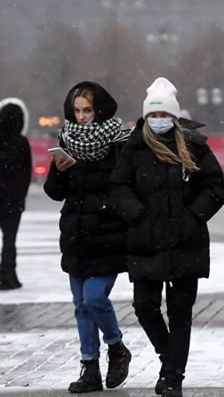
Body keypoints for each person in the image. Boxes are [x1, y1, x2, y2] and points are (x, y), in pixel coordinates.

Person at [110, 77, 224, 397]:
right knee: (144, 307)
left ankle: (173, 377)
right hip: (145, 242)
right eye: (153, 116)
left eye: (164, 116)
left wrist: (192, 217)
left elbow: (214, 186)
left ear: (174, 117)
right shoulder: (133, 148)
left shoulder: (194, 146)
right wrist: (138, 214)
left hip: (186, 242)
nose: (158, 121)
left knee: (180, 313)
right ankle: (168, 357)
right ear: (145, 117)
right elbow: (118, 187)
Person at [44, 81, 132, 394]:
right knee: (81, 305)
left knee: (95, 298)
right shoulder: (67, 140)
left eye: (88, 110)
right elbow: (54, 193)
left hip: (107, 234)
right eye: (77, 110)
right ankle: (90, 366)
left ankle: (117, 347)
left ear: (100, 109)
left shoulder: (119, 140)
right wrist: (59, 170)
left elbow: (126, 185)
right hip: (77, 234)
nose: (81, 117)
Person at [0, 98, 32, 291]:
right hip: (14, 196)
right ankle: (6, 275)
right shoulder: (21, 142)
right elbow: (26, 170)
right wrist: (21, 193)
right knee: (10, 236)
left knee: (8, 235)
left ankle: (8, 274)